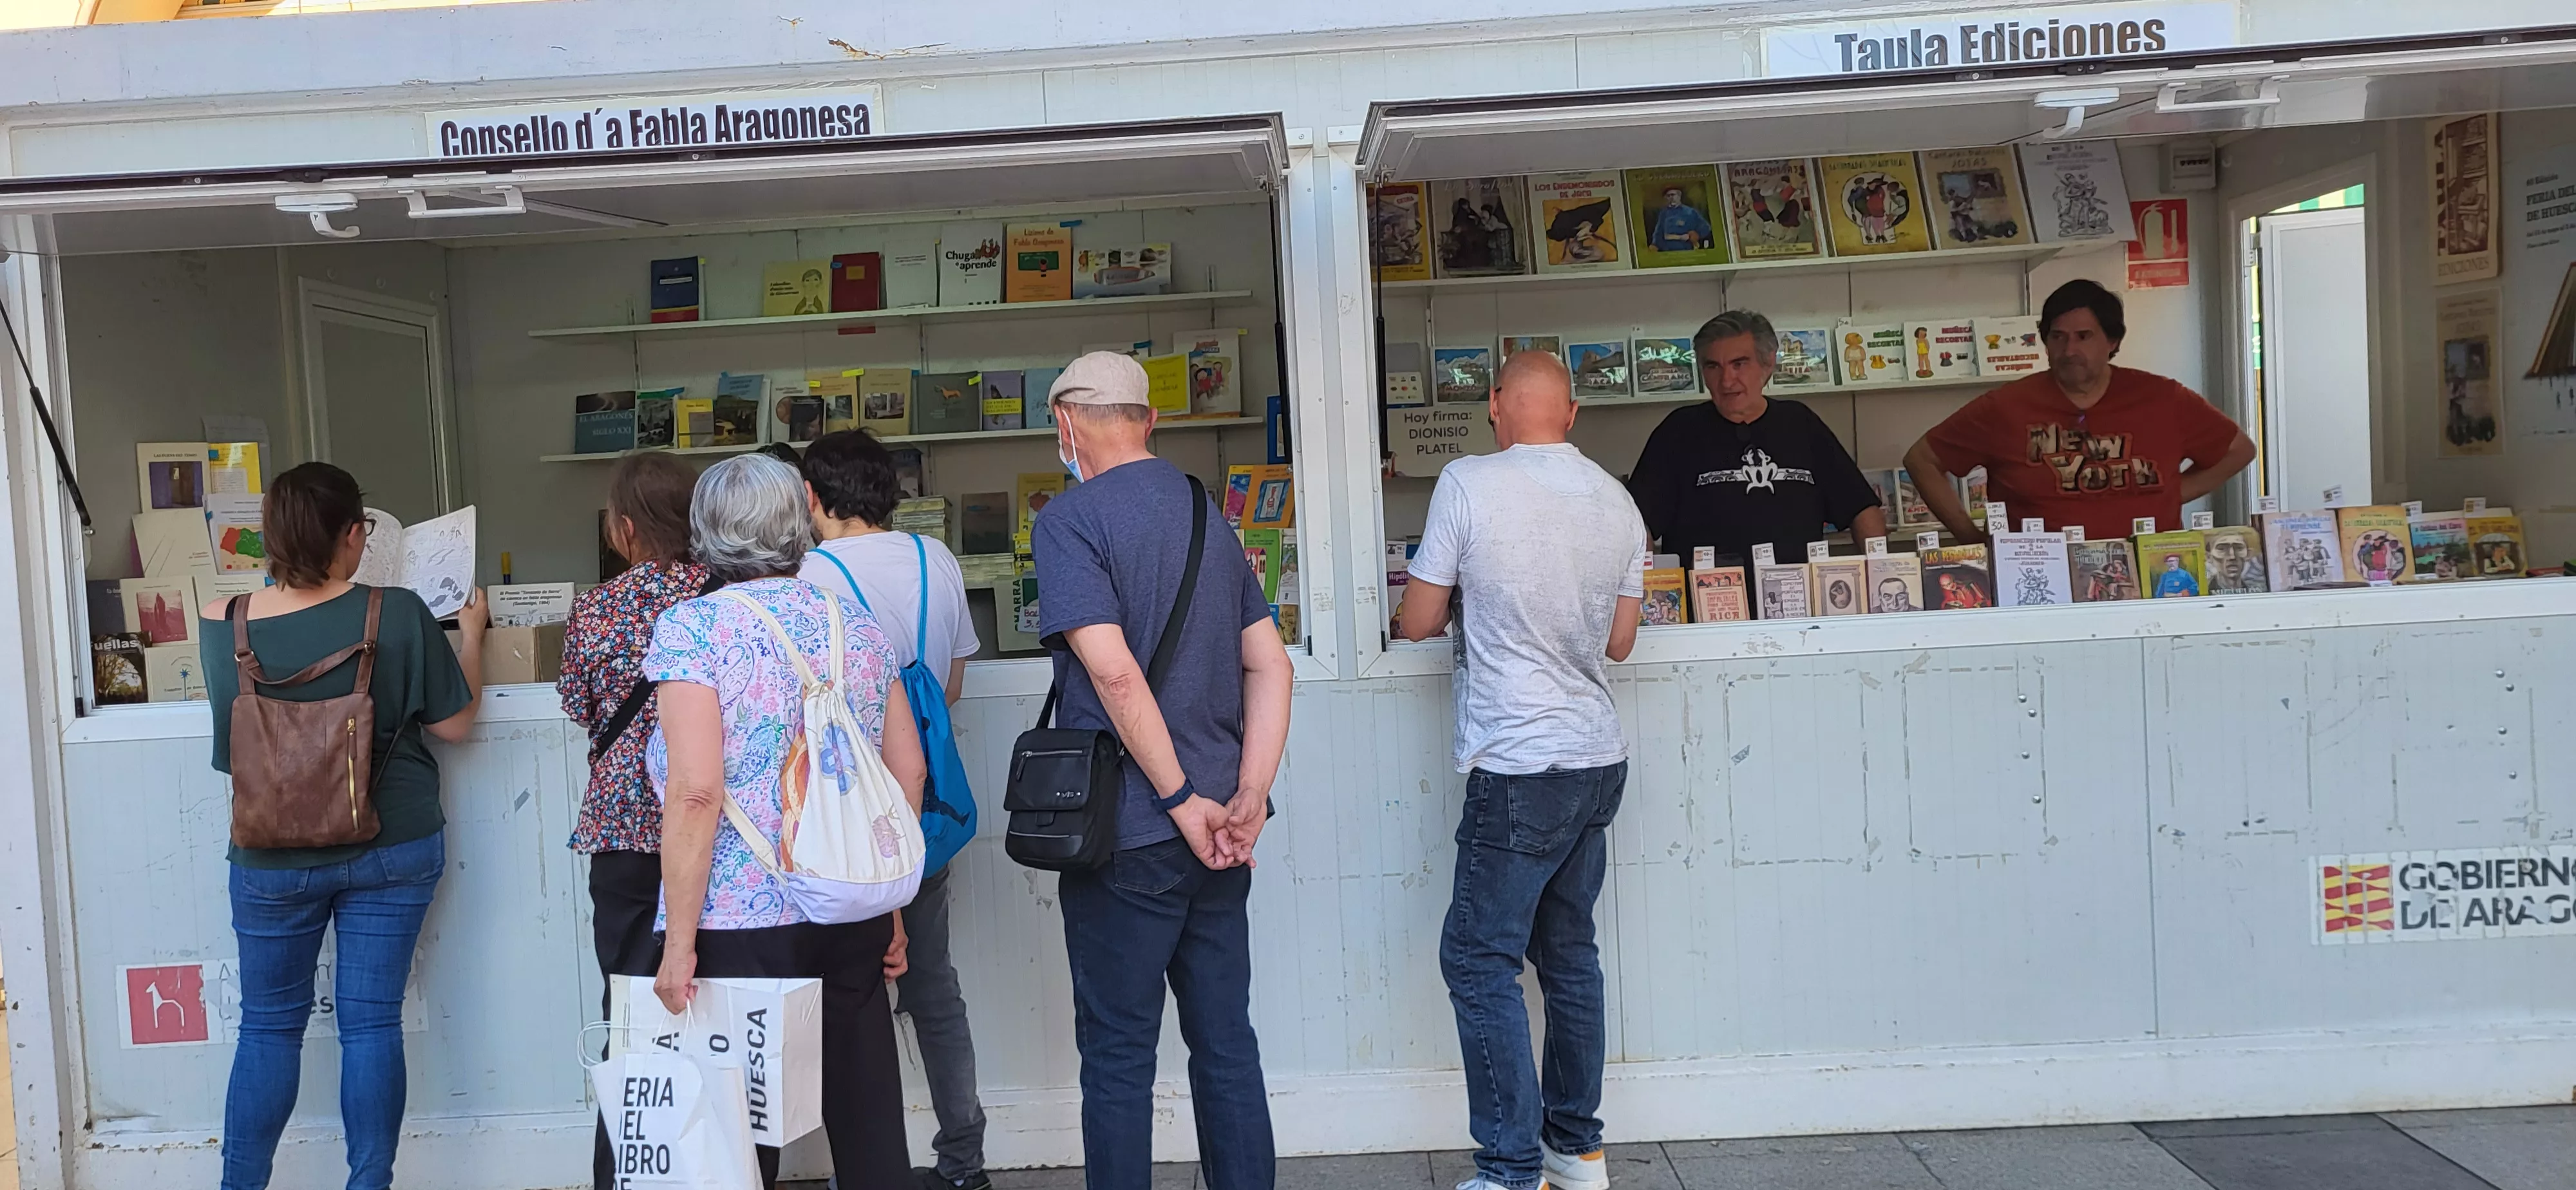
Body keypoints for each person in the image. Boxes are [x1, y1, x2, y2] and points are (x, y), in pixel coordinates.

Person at [1032, 352, 1294, 1190]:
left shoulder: (1070, 521)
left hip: (1131, 831)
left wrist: (1178, 799)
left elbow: (1113, 676)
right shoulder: (1202, 509)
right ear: (1148, 420)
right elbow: (1273, 666)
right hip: (1223, 830)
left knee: (1117, 1056)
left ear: (1068, 422)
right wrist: (1247, 795)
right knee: (1226, 1042)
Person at [194, 462, 488, 1190]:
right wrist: (473, 637)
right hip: (393, 843)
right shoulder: (399, 611)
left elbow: (231, 753)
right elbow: (454, 725)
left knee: (266, 1027)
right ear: (352, 536)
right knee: (369, 1025)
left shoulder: (221, 624)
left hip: (271, 855)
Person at [1394, 350, 1645, 1190]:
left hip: (1521, 760)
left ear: (1496, 406)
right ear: (1570, 415)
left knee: (1478, 959)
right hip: (1596, 758)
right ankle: (1576, 1152)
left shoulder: (1468, 482)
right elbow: (1619, 641)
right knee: (1569, 956)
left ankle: (1507, 1171)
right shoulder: (1616, 501)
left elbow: (1419, 620)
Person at [646, 453, 923, 1190]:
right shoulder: (854, 624)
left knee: (735, 1148)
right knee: (870, 1127)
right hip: (848, 906)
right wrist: (891, 907)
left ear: (704, 533)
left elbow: (697, 791)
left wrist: (677, 947)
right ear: (801, 523)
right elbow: (908, 771)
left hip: (738, 924)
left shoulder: (692, 630)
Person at [794, 430, 992, 1190]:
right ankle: (962, 1157)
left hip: (840, 816)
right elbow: (948, 688)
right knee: (932, 985)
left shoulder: (812, 574)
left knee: (848, 989)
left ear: (813, 496)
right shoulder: (934, 559)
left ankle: (864, 1164)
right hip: (925, 803)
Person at [556, 451, 712, 1190]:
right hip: (719, 834)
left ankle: (624, 1173)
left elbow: (581, 707)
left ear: (622, 530)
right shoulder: (726, 593)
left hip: (624, 833)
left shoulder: (598, 607)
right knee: (722, 1008)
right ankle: (720, 1168)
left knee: (629, 1010)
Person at [1903, 280, 2257, 543]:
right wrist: (1970, 538)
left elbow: (2239, 450)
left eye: (2084, 337)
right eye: (2057, 337)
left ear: (2113, 341)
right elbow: (1922, 459)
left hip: (2151, 576)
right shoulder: (2006, 406)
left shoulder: (2164, 398)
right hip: (2038, 581)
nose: (2069, 350)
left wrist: (2172, 492)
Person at [1627, 311, 1888, 567]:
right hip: (1706, 603)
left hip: (1799, 603)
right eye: (1713, 366)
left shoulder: (1801, 423)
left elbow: (1861, 509)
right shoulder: (1678, 431)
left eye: (1739, 364)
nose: (1727, 380)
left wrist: (1881, 573)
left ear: (1768, 363)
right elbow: (1637, 526)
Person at [1646, 185, 1714, 253]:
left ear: (1679, 195)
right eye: (1668, 196)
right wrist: (1654, 245)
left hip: (1687, 252)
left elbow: (1706, 228)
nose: (1671, 198)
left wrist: (1697, 234)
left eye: (1673, 195)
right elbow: (1658, 233)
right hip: (1667, 253)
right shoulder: (1664, 214)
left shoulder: (1690, 212)